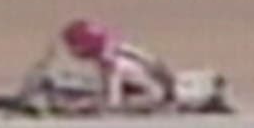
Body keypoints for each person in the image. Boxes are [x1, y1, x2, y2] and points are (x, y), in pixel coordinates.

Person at [32, 18, 171, 114]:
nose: (72, 51)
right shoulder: (113, 46)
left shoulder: (112, 64)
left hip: (151, 96)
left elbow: (113, 103)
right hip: (149, 83)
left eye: (73, 46)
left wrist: (79, 106)